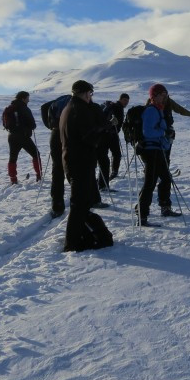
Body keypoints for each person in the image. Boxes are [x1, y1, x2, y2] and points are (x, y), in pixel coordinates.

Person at [59, 80, 114, 252]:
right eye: (90, 93)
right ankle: (72, 243)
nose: (91, 97)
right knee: (79, 205)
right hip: (79, 161)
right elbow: (89, 137)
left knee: (83, 203)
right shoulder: (78, 110)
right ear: (84, 93)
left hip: (76, 160)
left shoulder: (71, 107)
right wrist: (104, 128)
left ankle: (80, 237)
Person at [136, 83, 181, 225]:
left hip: (158, 150)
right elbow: (148, 132)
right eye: (162, 95)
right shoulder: (151, 111)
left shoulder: (158, 110)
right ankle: (141, 216)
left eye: (165, 95)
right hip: (151, 151)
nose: (165, 98)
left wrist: (167, 135)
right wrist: (164, 132)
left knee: (166, 179)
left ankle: (165, 207)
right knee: (150, 183)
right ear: (154, 96)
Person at [4, 91, 42, 185]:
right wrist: (31, 127)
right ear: (23, 98)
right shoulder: (24, 108)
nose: (28, 100)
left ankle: (13, 179)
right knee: (36, 154)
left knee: (13, 157)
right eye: (27, 98)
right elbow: (32, 124)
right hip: (23, 136)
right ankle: (39, 175)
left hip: (11, 136)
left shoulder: (10, 108)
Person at [97, 93, 130, 189]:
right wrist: (111, 125)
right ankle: (109, 176)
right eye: (125, 100)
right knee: (109, 156)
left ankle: (113, 172)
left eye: (127, 101)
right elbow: (107, 120)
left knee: (114, 154)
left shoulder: (117, 106)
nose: (126, 103)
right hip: (108, 134)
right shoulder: (115, 106)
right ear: (120, 99)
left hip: (110, 134)